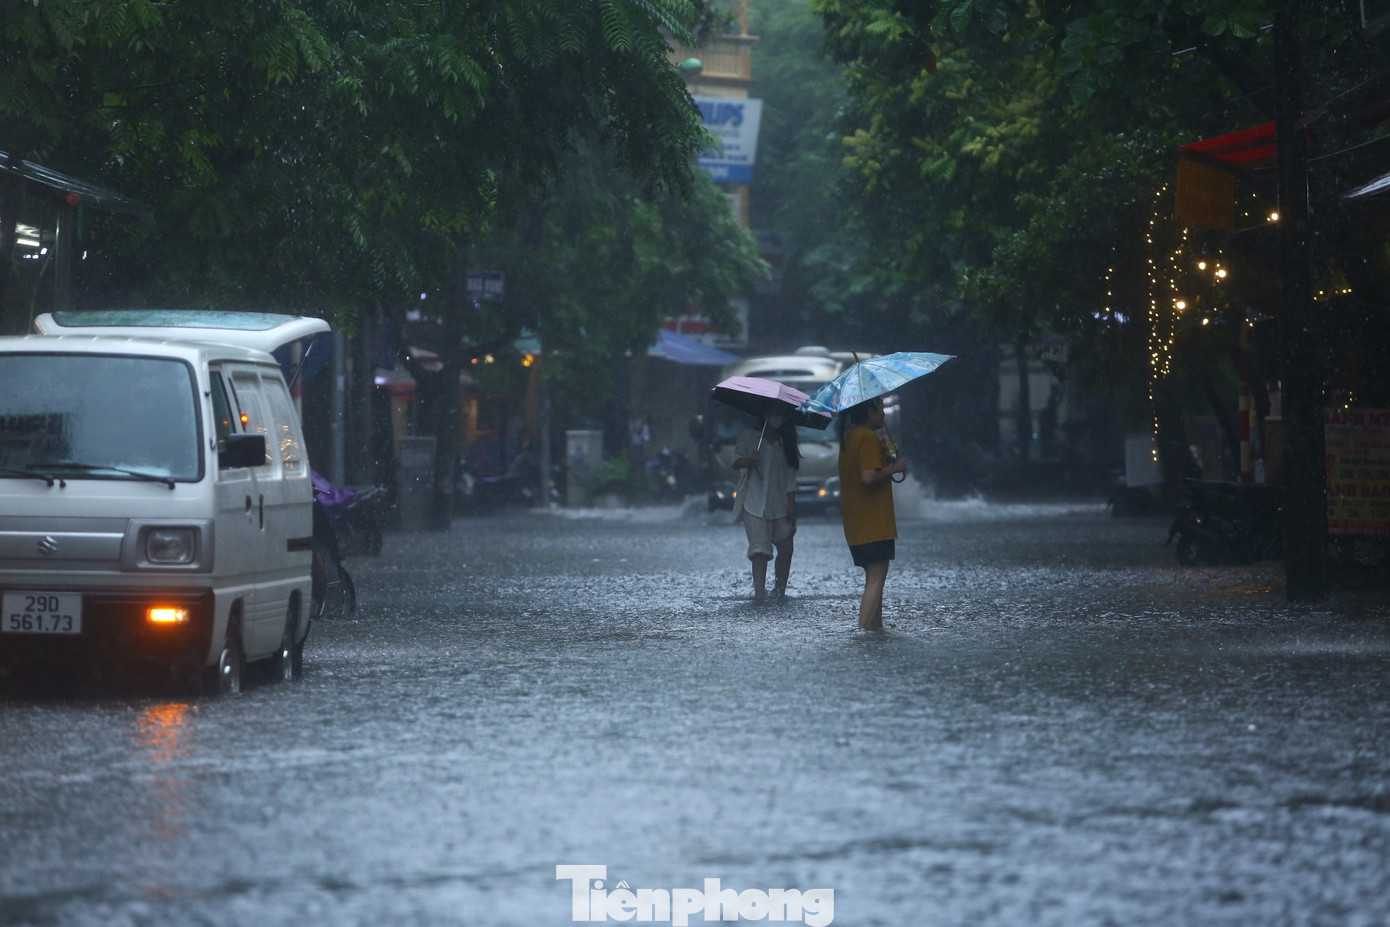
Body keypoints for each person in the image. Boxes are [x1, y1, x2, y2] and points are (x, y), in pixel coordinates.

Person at [838, 397, 908, 629]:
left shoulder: (849, 437)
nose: (885, 415)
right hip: (874, 522)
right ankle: (864, 633)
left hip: (856, 522)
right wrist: (894, 468)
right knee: (876, 581)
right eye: (881, 409)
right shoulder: (867, 437)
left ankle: (875, 631)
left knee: (874, 580)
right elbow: (868, 477)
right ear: (869, 411)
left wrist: (887, 460)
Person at [731, 412, 801, 599]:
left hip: (780, 504)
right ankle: (759, 593)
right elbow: (735, 462)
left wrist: (791, 504)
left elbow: (790, 476)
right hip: (754, 503)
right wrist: (749, 460)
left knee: (786, 550)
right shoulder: (749, 436)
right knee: (759, 551)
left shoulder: (787, 441)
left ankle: (779, 591)